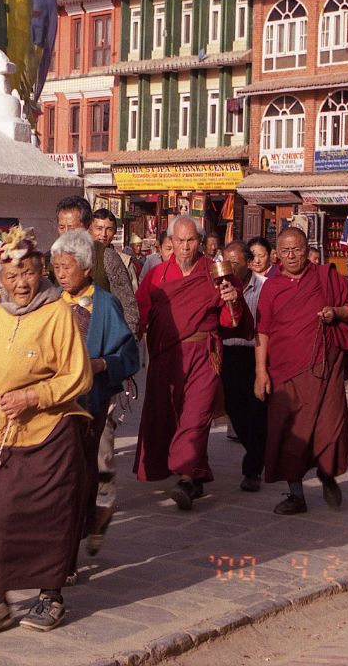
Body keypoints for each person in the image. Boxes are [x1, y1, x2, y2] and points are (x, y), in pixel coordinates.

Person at [0, 227, 92, 634]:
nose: (20, 282)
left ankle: (50, 595)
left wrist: (33, 397)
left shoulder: (59, 312)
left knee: (47, 519)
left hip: (48, 434)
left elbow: (78, 378)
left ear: (40, 270)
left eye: (27, 272)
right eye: (11, 276)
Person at [133, 215, 249, 511]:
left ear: (201, 242)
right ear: (170, 243)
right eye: (179, 241)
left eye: (191, 241)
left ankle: (185, 477)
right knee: (171, 414)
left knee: (196, 415)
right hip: (166, 357)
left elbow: (232, 320)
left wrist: (233, 299)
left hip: (203, 353)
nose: (185, 247)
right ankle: (196, 474)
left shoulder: (216, 272)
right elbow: (141, 315)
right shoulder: (157, 276)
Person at [255, 227, 348, 516]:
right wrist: (260, 372)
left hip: (324, 370)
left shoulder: (325, 278)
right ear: (277, 254)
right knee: (290, 435)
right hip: (286, 373)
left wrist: (335, 312)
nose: (292, 256)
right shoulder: (272, 286)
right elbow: (262, 332)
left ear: (307, 249)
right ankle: (296, 495)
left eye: (297, 249)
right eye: (286, 251)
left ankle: (327, 474)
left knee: (329, 427)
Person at [50, 230, 139, 558]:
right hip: (53, 405)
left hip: (90, 405)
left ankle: (70, 550)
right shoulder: (51, 303)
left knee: (79, 476)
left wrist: (102, 364)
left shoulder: (105, 304)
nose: (60, 274)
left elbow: (130, 356)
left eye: (67, 267)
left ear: (87, 268)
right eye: (56, 267)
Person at [220, 241, 268, 492]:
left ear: (249, 263)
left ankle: (252, 470)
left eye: (235, 263)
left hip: (255, 354)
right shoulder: (219, 286)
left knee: (256, 412)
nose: (229, 268)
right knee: (234, 410)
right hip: (228, 353)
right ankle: (259, 452)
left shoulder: (263, 287)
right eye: (226, 262)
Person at [89, 208, 141, 328]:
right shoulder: (81, 257)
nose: (103, 234)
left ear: (115, 232)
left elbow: (129, 301)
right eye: (99, 228)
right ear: (90, 229)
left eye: (109, 229)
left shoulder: (123, 260)